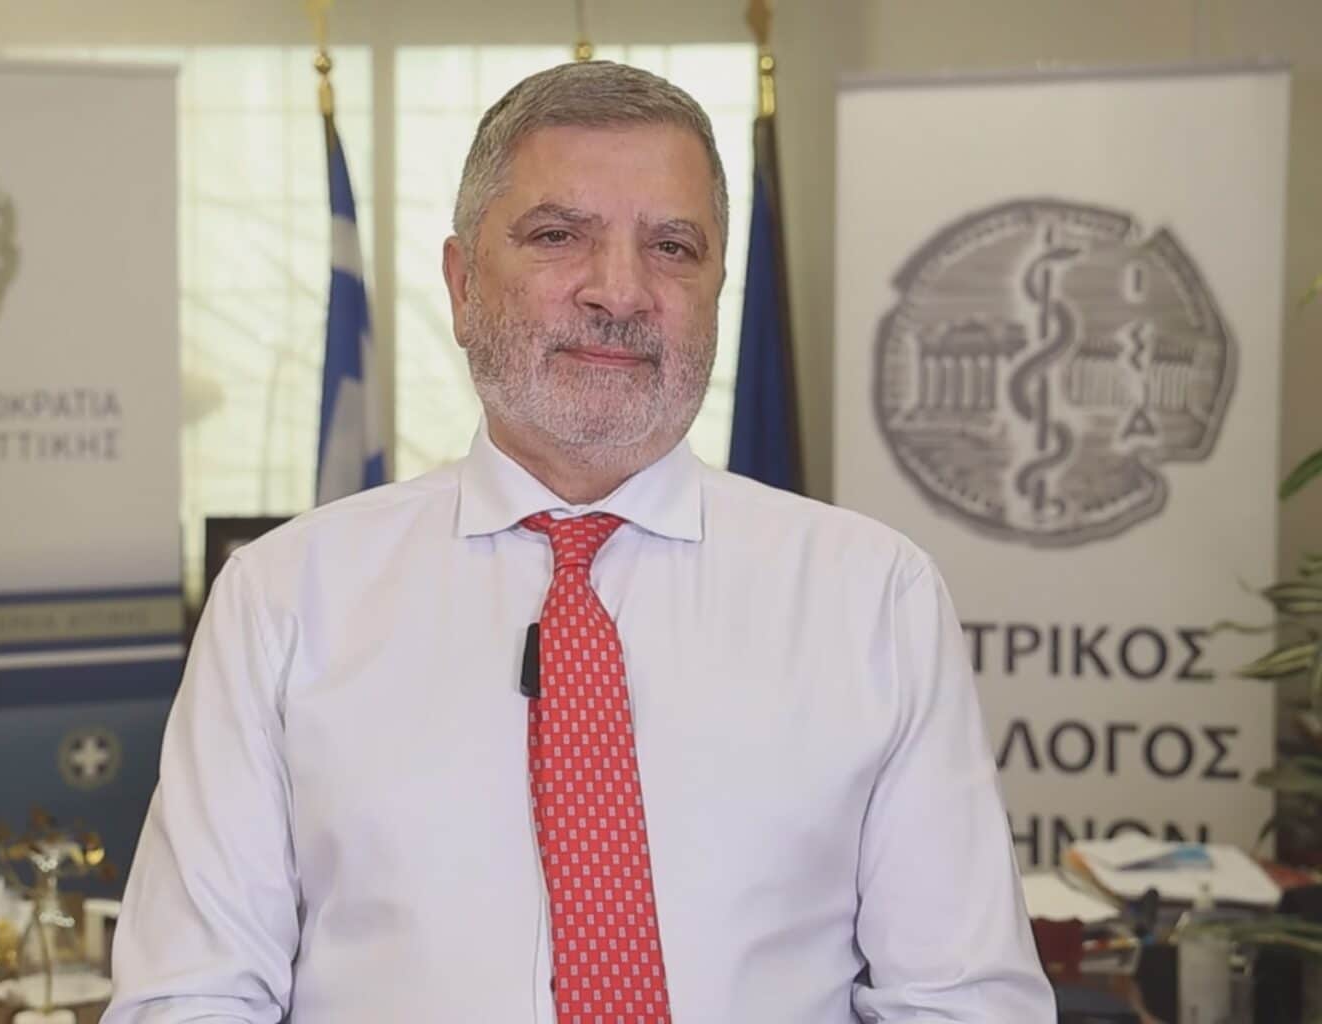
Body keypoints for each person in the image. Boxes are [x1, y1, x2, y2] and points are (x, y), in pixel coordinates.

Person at [103, 61, 1054, 1023]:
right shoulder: (284, 598)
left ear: (717, 292)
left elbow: (963, 1003)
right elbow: (192, 995)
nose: (620, 292)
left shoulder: (874, 598)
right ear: (462, 285)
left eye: (672, 247)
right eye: (560, 236)